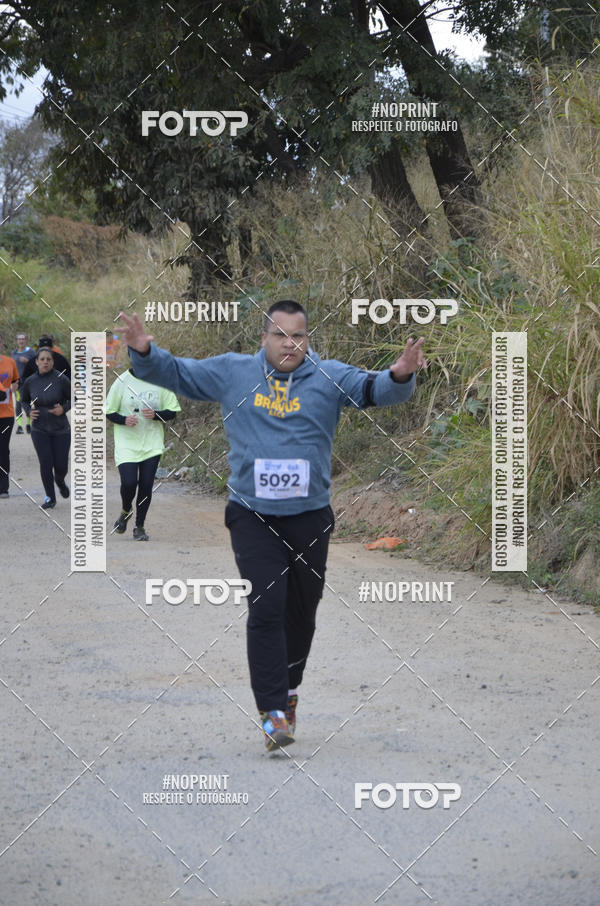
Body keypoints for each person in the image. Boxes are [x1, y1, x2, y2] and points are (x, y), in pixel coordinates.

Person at [120, 301, 426, 752]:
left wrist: (400, 373)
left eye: (299, 336)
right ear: (264, 338)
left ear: (308, 340)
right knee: (267, 607)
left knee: (302, 614)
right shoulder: (234, 372)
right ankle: (273, 712)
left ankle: (289, 689)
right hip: (253, 515)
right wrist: (145, 352)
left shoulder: (326, 376)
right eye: (281, 335)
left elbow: (372, 388)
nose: (290, 343)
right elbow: (180, 375)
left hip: (309, 515)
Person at [104, 367, 181, 541]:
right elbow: (109, 410)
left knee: (146, 484)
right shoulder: (122, 381)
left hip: (151, 443)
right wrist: (124, 420)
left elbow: (172, 411)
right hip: (127, 442)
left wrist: (156, 415)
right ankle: (125, 510)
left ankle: (140, 527)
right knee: (129, 482)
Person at [20, 348, 72, 509]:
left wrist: (63, 409)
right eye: (42, 359)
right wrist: (29, 411)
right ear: (36, 362)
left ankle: (60, 481)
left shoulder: (61, 379)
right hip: (39, 427)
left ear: (52, 361)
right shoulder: (31, 381)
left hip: (60, 428)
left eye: (48, 359)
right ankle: (50, 497)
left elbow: (74, 399)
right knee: (45, 462)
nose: (45, 362)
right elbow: (23, 400)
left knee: (61, 465)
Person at [0, 333, 20, 499]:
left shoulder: (9, 362)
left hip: (6, 414)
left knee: (3, 450)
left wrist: (14, 387)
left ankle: (3, 487)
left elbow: (15, 380)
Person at [11, 332, 36, 434]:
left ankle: (29, 424)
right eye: (19, 339)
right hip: (17, 382)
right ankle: (20, 426)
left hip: (29, 382)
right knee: (18, 403)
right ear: (17, 341)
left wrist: (27, 361)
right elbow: (12, 368)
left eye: (23, 339)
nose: (21, 341)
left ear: (26, 340)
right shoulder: (14, 353)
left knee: (27, 402)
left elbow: (37, 365)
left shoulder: (31, 352)